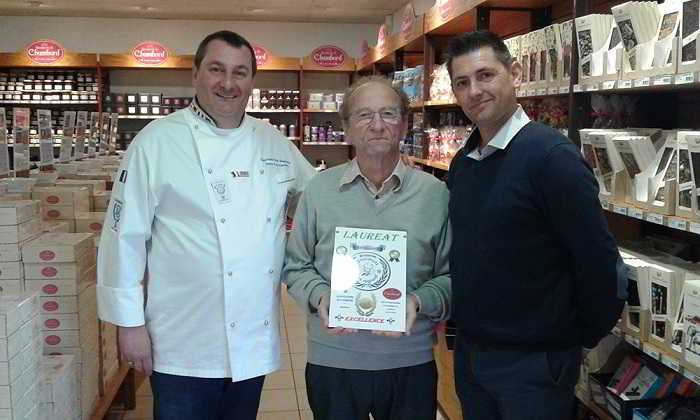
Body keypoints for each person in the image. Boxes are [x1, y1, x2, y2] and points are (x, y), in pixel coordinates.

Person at [96, 30, 316, 420]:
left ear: (252, 81)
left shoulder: (273, 142)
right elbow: (122, 237)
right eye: (216, 70)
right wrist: (129, 324)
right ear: (195, 74)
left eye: (240, 72)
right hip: (182, 341)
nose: (228, 83)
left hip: (251, 338)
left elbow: (319, 199)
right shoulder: (157, 142)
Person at [445, 31, 625, 420]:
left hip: (534, 365)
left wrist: (571, 340)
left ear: (515, 73)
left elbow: (599, 263)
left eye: (485, 75)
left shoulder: (550, 157)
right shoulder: (464, 162)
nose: (474, 91)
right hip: (473, 355)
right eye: (462, 82)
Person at [283, 75, 451, 420]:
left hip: (410, 361)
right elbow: (295, 265)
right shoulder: (319, 190)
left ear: (404, 124)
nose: (377, 125)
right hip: (334, 360)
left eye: (388, 114)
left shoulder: (436, 194)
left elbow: (453, 275)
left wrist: (418, 301)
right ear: (346, 126)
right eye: (363, 115)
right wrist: (320, 297)